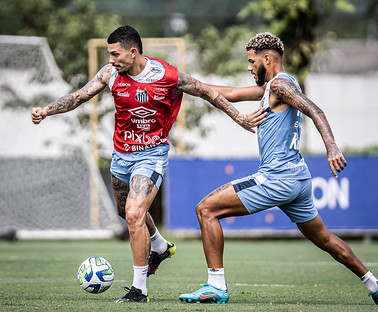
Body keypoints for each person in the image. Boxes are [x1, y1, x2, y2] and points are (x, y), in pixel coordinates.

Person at [31, 25, 266, 303]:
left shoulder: (167, 75)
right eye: (109, 54)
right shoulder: (110, 74)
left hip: (151, 155)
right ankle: (159, 245)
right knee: (124, 211)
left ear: (133, 52)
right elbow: (78, 96)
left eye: (115, 54)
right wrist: (47, 110)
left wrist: (238, 117)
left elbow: (206, 92)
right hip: (120, 156)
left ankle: (138, 290)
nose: (110, 60)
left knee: (133, 215)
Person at [178, 32, 378, 305]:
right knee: (325, 239)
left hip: (277, 178)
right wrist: (183, 82)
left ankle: (215, 286)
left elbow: (315, 110)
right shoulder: (273, 88)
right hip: (298, 179)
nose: (248, 67)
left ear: (267, 58)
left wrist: (332, 147)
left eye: (251, 61)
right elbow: (229, 93)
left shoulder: (280, 86)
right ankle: (375, 285)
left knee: (206, 209)